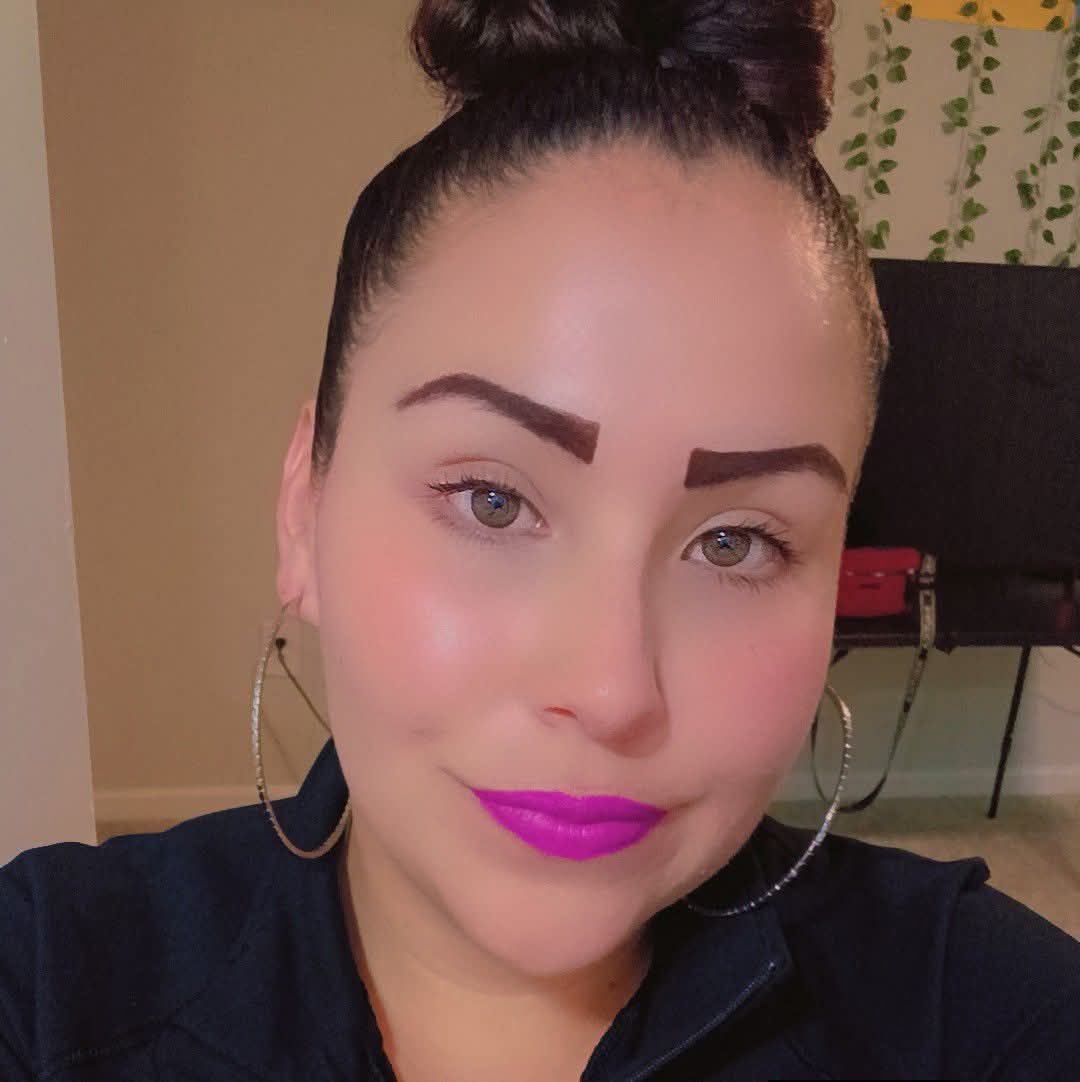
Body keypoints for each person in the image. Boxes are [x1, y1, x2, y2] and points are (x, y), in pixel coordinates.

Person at [3, 0, 1079, 1078]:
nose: (612, 688)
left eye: (737, 542)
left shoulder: (984, 1018)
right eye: (493, 501)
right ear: (305, 498)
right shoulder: (49, 984)